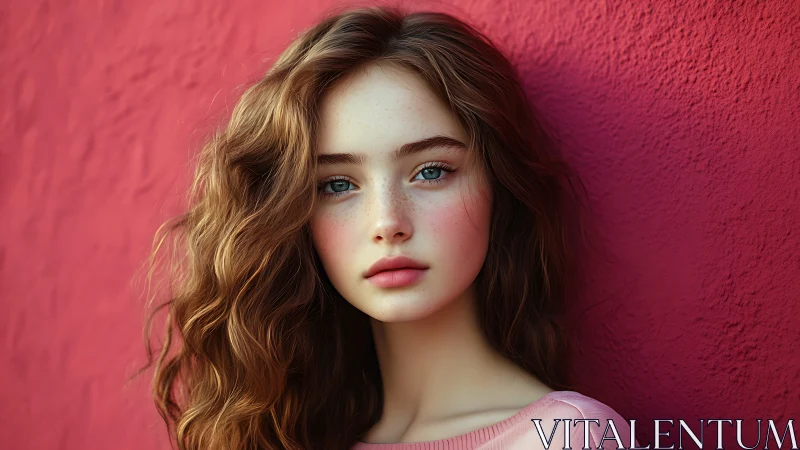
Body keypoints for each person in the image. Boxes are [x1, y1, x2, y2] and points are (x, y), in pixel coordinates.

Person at [136, 5, 638, 450]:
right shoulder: (290, 435)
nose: (387, 223)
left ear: (498, 188)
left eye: (431, 171)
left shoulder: (571, 438)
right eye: (336, 185)